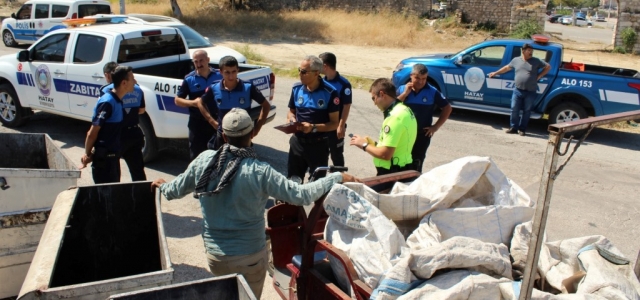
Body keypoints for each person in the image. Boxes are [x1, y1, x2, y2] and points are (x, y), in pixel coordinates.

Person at [151, 108, 359, 299]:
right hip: (250, 257)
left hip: (216, 259)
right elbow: (301, 195)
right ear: (251, 135)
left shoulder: (205, 161)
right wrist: (336, 177)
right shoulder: (260, 171)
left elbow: (174, 190)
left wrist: (161, 186)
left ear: (224, 136)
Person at [196, 55, 271, 150]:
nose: (231, 76)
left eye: (234, 72)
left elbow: (266, 106)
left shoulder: (248, 87)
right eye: (227, 72)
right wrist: (211, 121)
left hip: (243, 137)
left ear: (238, 70)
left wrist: (257, 128)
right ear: (221, 72)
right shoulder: (214, 88)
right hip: (223, 135)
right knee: (221, 163)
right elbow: (200, 102)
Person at [287, 55, 340, 182]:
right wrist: (292, 120)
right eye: (299, 70)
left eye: (304, 72)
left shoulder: (330, 93)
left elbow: (334, 123)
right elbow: (290, 112)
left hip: (318, 145)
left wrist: (313, 128)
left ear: (317, 73)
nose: (300, 74)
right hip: (297, 143)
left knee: (317, 185)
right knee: (293, 183)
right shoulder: (296, 89)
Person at [349, 78, 417, 176]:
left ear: (382, 94)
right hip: (402, 168)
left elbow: (386, 154)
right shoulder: (405, 109)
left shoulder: (394, 117)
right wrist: (374, 144)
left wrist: (364, 145)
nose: (374, 103)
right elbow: (397, 145)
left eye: (374, 98)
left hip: (392, 173)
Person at [81, 66, 135, 183]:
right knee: (106, 196)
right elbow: (92, 132)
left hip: (113, 158)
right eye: (133, 79)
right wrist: (87, 154)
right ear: (124, 83)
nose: (135, 82)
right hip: (104, 161)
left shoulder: (117, 100)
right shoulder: (108, 102)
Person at [396, 64, 452, 172]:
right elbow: (392, 106)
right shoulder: (402, 89)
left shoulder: (432, 91)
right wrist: (405, 94)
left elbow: (447, 108)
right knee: (400, 162)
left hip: (422, 135)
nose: (420, 82)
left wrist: (435, 127)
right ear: (411, 76)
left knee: (417, 163)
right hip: (403, 134)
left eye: (424, 78)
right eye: (417, 78)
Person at [489, 43, 550, 136]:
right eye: (529, 51)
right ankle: (513, 127)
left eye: (532, 51)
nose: (531, 53)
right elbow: (506, 68)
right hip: (518, 90)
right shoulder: (516, 60)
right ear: (523, 51)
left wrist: (540, 75)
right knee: (514, 109)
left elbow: (548, 66)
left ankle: (522, 129)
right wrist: (495, 73)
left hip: (530, 91)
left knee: (527, 111)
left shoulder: (536, 61)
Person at [100, 62, 147, 181]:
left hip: (116, 135)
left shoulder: (106, 91)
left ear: (109, 75)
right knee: (138, 172)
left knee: (114, 172)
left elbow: (103, 116)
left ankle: (118, 198)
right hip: (134, 133)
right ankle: (142, 197)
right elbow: (141, 110)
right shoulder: (137, 89)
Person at [175, 50, 223, 160]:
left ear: (208, 60)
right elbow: (177, 100)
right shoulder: (189, 79)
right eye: (196, 62)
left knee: (217, 156)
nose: (199, 64)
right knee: (196, 157)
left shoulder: (219, 75)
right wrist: (193, 103)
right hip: (197, 124)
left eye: (201, 60)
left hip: (215, 122)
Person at [319, 52, 352, 167]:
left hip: (336, 127)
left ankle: (340, 181)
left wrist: (341, 125)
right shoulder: (320, 82)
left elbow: (346, 105)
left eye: (319, 64)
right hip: (322, 125)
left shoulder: (344, 84)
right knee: (321, 155)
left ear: (325, 66)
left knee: (336, 155)